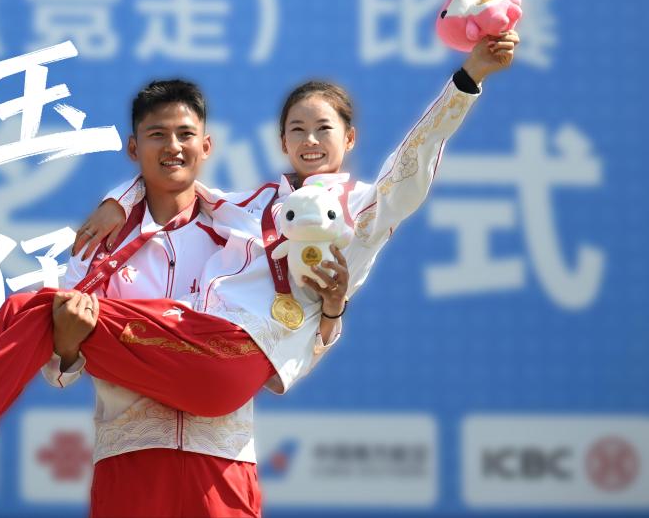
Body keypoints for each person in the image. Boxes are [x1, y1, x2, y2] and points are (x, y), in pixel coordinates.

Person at [64, 30, 521, 517]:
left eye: (323, 128)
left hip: (223, 450)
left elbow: (415, 159)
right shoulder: (246, 208)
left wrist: (468, 78)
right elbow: (175, 183)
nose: (310, 140)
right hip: (130, 454)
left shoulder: (364, 209)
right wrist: (121, 200)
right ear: (282, 141)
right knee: (44, 312)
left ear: (349, 138)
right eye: (297, 129)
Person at [0, 79, 347, 516]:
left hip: (222, 462)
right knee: (38, 312)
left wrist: (332, 310)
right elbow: (57, 366)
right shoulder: (98, 247)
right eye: (157, 135)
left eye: (185, 134)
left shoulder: (249, 228)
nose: (173, 147)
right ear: (134, 148)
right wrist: (67, 345)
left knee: (28, 308)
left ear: (207, 145)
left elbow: (286, 332)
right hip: (130, 459)